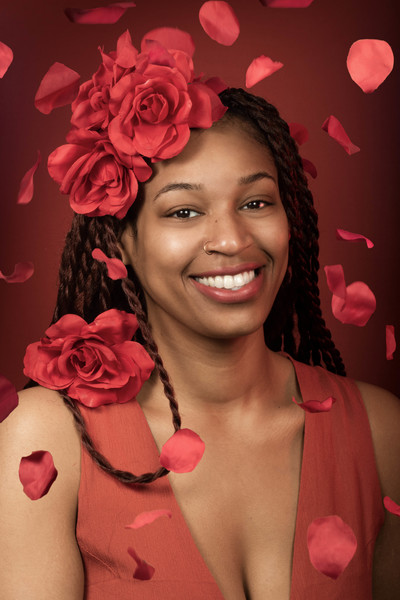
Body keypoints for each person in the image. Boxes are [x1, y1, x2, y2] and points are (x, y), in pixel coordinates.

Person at [1, 28, 399, 600]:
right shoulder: (46, 441)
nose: (233, 239)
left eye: (257, 202)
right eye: (184, 211)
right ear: (122, 245)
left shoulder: (382, 433)